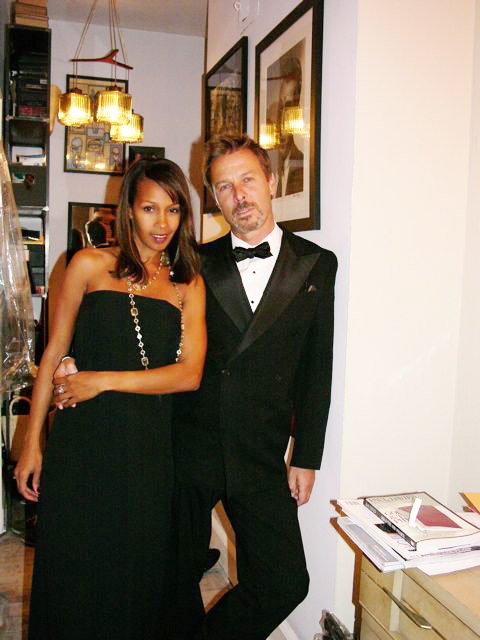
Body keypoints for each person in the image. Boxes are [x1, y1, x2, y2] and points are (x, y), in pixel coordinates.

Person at [14, 158, 206, 640]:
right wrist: (32, 443)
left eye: (174, 210)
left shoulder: (187, 283)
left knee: (133, 576)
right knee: (73, 568)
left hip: (148, 450)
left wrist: (100, 380)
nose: (162, 223)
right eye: (149, 208)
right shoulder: (87, 264)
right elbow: (53, 352)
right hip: (82, 444)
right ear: (128, 210)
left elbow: (189, 375)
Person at [172, 134, 337, 639]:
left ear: (271, 180)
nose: (239, 195)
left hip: (260, 450)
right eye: (225, 187)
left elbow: (317, 366)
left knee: (285, 581)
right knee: (172, 576)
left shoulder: (316, 263)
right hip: (190, 443)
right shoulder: (194, 262)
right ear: (214, 198)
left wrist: (307, 455)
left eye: (247, 180)